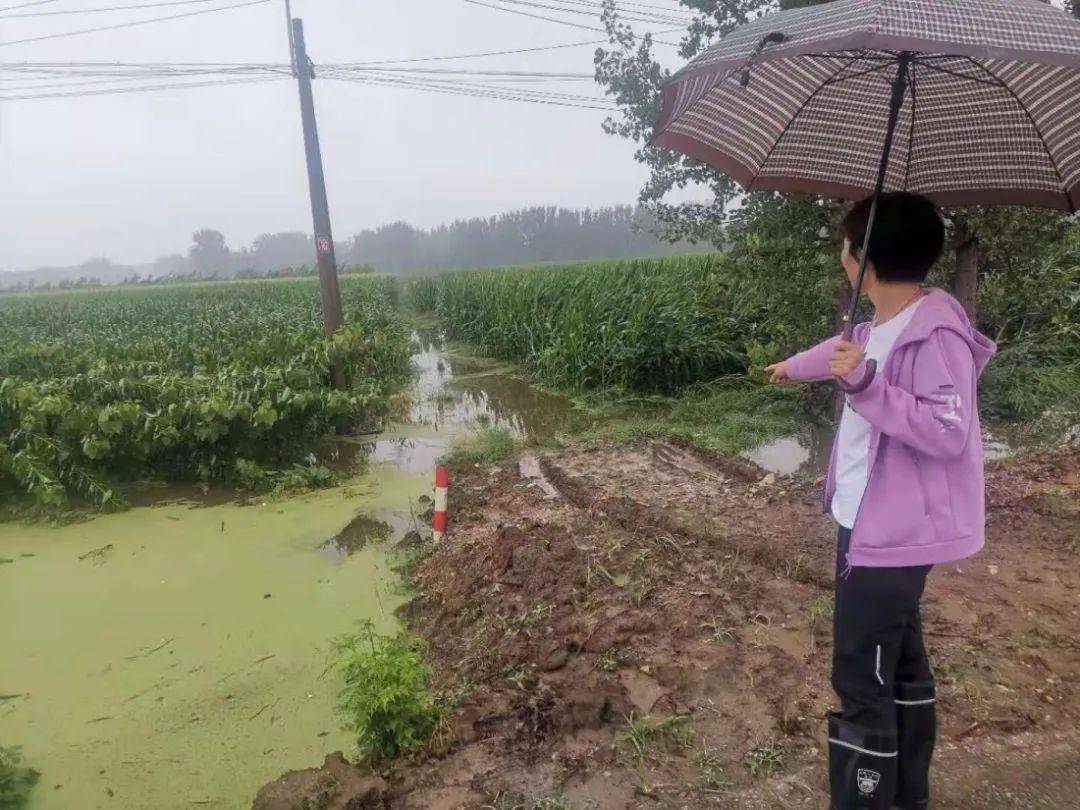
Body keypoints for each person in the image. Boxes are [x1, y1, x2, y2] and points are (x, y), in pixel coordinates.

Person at [765, 192, 996, 810]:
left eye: (845, 246)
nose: (840, 256)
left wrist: (866, 385)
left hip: (893, 533)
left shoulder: (935, 335)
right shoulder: (882, 327)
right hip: (867, 521)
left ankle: (866, 800)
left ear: (862, 259)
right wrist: (793, 366)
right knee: (898, 662)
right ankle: (906, 796)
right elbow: (843, 351)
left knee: (860, 676)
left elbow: (948, 431)